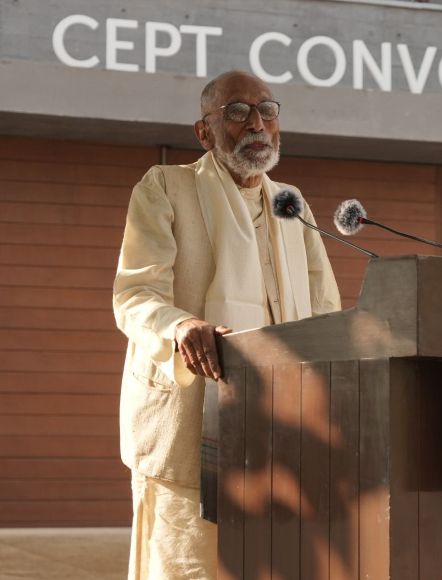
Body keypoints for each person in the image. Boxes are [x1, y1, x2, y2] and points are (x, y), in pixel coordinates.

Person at [113, 70, 341, 579]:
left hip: (282, 433)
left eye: (267, 110)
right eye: (237, 112)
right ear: (204, 132)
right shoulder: (165, 187)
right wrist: (180, 327)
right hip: (192, 429)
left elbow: (324, 309)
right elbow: (134, 295)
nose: (257, 123)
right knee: (190, 566)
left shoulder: (291, 204)